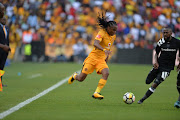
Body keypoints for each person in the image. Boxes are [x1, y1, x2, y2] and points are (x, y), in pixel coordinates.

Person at [68, 12, 117, 100]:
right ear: (108, 28)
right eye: (113, 30)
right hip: (92, 58)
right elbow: (95, 43)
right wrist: (103, 50)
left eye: (115, 30)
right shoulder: (102, 32)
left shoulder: (113, 37)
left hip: (101, 60)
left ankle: (96, 93)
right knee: (81, 78)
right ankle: (75, 76)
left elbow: (108, 48)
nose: (114, 32)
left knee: (106, 73)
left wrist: (106, 59)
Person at [138, 27, 180, 105]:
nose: (164, 34)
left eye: (166, 32)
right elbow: (156, 53)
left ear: (171, 33)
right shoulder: (161, 42)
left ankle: (142, 99)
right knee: (147, 81)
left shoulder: (177, 42)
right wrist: (155, 62)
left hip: (167, 68)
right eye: (163, 32)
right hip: (159, 65)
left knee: (156, 82)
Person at [0, 8, 11, 87]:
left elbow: (7, 39)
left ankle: (0, 82)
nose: (4, 20)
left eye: (5, 19)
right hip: (0, 49)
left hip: (4, 51)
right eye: (3, 19)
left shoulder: (6, 28)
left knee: (1, 67)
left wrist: (7, 47)